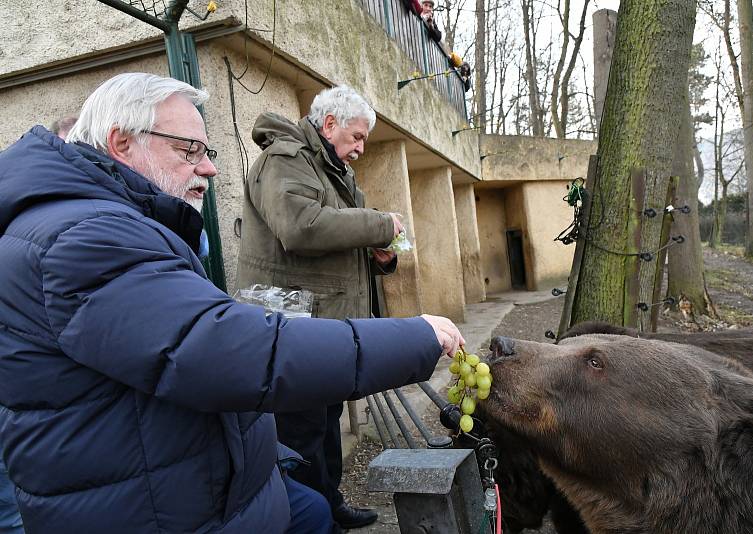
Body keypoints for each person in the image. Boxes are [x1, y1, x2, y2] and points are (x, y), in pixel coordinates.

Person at [0, 72, 465, 534]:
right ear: (122, 143)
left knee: (314, 483)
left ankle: (324, 494)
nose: (209, 169)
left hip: (169, 475)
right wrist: (411, 334)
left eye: (208, 151)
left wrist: (378, 257)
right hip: (153, 501)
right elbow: (222, 345)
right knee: (306, 458)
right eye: (190, 150)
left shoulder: (102, 223)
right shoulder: (87, 236)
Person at [236, 85, 411, 530]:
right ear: (328, 124)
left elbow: (343, 239)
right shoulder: (285, 159)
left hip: (327, 326)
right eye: (356, 137)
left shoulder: (333, 170)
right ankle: (312, 517)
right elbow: (301, 228)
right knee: (301, 433)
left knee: (326, 422)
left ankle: (330, 502)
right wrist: (378, 224)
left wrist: (380, 256)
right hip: (294, 330)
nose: (360, 148)